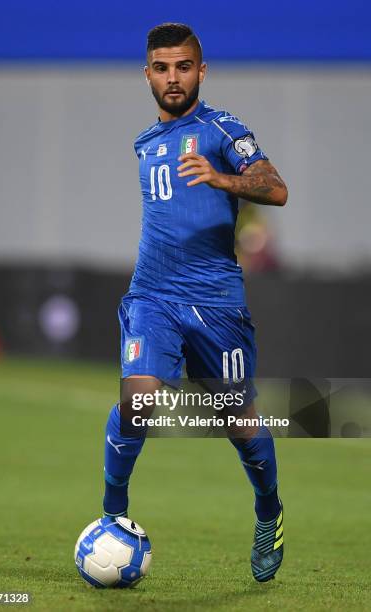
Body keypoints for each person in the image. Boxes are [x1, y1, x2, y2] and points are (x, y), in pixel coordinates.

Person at [102, 23, 288, 583]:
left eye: (184, 66)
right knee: (138, 401)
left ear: (201, 71)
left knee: (237, 421)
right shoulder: (143, 143)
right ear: (148, 74)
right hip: (153, 296)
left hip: (216, 305)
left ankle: (269, 511)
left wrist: (223, 180)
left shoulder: (221, 130)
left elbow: (275, 187)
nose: (173, 77)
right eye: (162, 67)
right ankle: (112, 517)